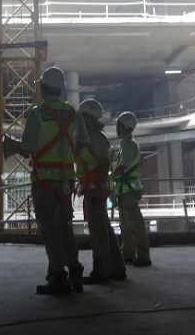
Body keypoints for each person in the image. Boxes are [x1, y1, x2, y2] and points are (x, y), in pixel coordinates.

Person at [21, 66, 89, 296]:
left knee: (50, 230)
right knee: (65, 228)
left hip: (44, 181)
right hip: (66, 180)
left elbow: (27, 148)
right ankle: (75, 271)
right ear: (61, 89)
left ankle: (59, 276)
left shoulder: (37, 114)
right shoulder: (74, 114)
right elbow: (83, 143)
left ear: (42, 88)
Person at [76, 99, 127, 284]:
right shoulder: (91, 137)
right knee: (104, 229)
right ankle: (117, 268)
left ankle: (102, 270)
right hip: (93, 189)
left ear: (89, 118)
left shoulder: (97, 137)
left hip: (95, 190)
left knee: (97, 232)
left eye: (82, 118)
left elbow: (103, 163)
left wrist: (97, 187)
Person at [113, 112, 151, 267]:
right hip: (124, 191)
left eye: (119, 125)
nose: (117, 128)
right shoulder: (126, 144)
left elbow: (123, 167)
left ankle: (143, 256)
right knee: (125, 226)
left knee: (135, 225)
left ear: (125, 126)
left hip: (129, 191)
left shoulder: (130, 145)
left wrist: (109, 176)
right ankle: (128, 254)